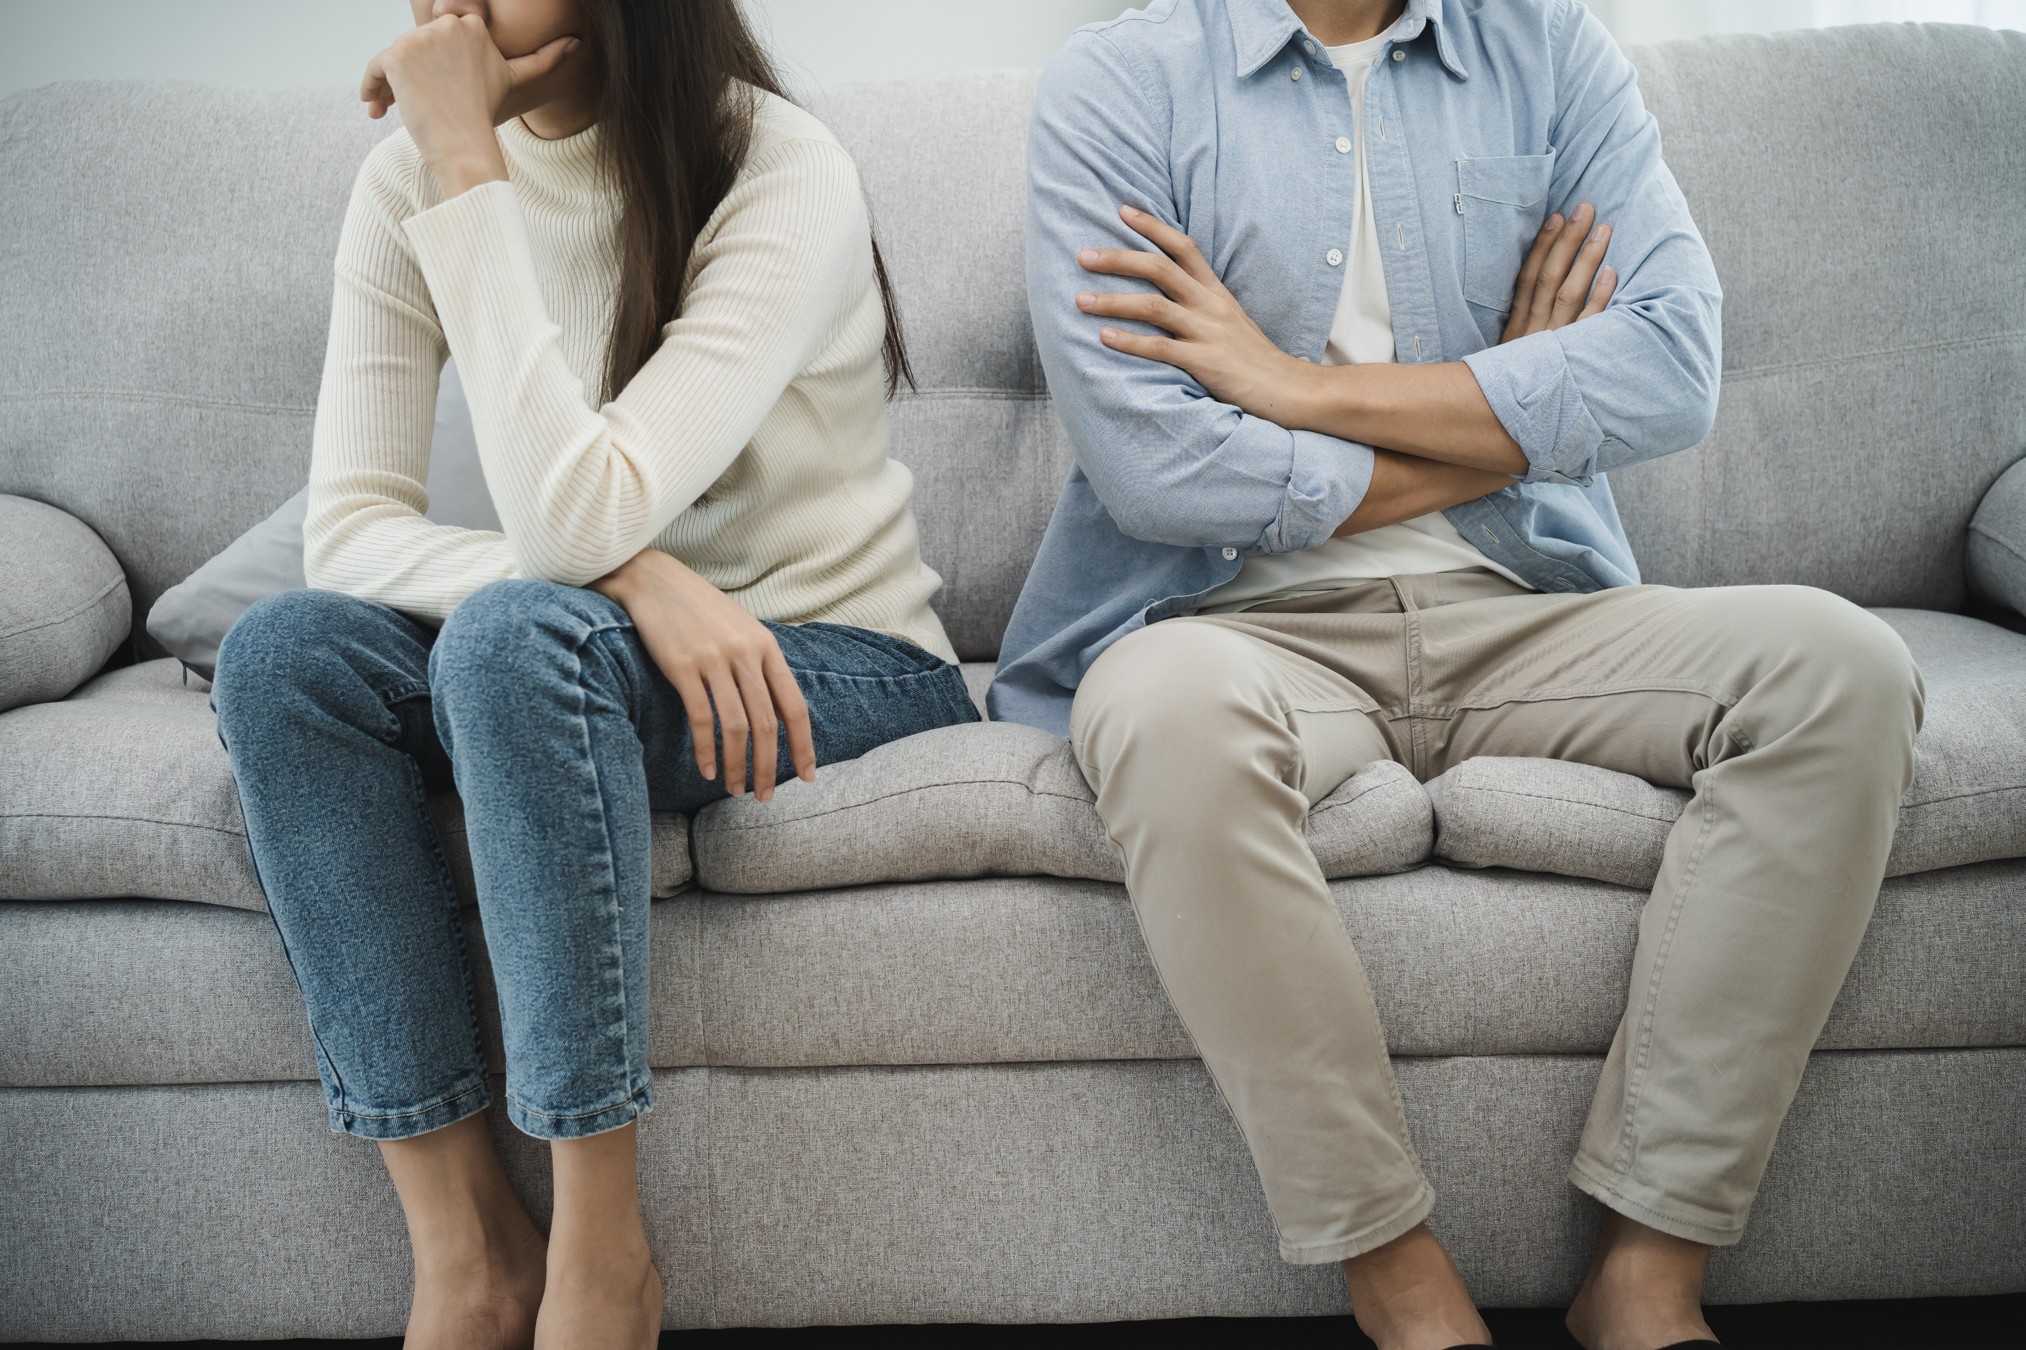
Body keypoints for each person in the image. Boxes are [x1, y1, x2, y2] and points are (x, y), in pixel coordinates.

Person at [990, 2, 1925, 1348]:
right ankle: (1402, 1282)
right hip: (1236, 620)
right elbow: (1156, 465)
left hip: (1527, 608)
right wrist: (1510, 418)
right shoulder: (1121, 80)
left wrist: (1288, 387)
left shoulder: (1551, 50)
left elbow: (1670, 369)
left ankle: (1648, 1272)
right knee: (1152, 708)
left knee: (1839, 665)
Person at [207, 2, 976, 1346]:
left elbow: (569, 525)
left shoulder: (778, 168)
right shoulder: (401, 182)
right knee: (286, 655)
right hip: (594, 646)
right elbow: (348, 534)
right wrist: (636, 574)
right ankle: (469, 1252)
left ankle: (601, 1258)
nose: (450, 12)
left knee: (515, 635)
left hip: (837, 658)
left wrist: (466, 163)